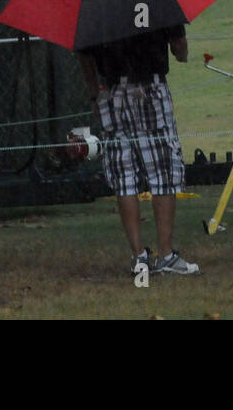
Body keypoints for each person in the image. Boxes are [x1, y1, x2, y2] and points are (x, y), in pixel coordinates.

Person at [79, 24, 199, 276]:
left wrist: (94, 94)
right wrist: (183, 54)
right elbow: (179, 48)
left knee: (124, 175)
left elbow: (85, 55)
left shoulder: (96, 3)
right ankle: (165, 254)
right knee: (163, 170)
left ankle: (139, 257)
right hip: (150, 88)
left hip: (111, 92)